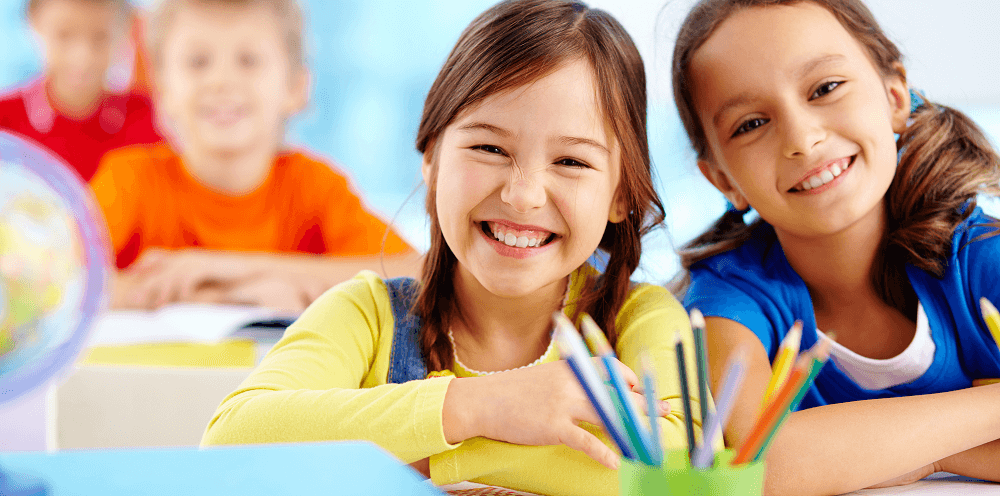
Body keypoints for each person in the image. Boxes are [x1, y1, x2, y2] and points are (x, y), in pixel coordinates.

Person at [201, 1, 707, 494]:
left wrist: (431, 453)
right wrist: (480, 405)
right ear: (432, 162)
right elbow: (232, 439)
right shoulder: (370, 315)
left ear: (621, 194)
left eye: (571, 162)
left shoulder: (641, 318)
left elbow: (679, 469)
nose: (522, 195)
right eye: (489, 148)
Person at [671, 1, 1000, 494]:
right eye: (750, 124)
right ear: (723, 179)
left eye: (825, 89)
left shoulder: (981, 256)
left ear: (895, 97)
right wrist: (955, 442)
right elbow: (755, 464)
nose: (802, 139)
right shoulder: (727, 295)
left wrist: (859, 452)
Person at [90, 0, 421, 312]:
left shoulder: (316, 188)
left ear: (296, 87)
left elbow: (419, 274)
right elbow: (58, 281)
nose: (221, 80)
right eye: (198, 62)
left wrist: (228, 268)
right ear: (162, 91)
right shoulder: (129, 180)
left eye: (248, 60)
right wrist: (225, 295)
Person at [0, 0, 161, 181]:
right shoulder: (4, 122)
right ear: (34, 22)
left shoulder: (155, 121)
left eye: (100, 37)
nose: (83, 56)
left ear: (126, 28)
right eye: (64, 35)